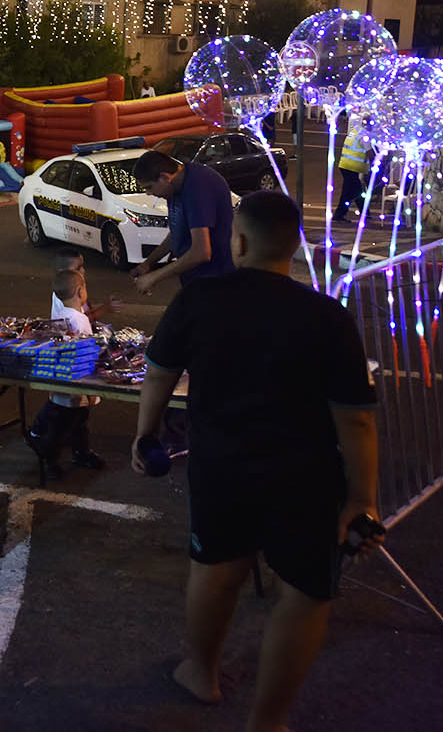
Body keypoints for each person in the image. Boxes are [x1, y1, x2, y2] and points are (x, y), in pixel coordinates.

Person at [132, 191, 382, 731]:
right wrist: (362, 500)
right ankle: (268, 720)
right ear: (293, 246)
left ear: (238, 241)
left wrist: (145, 436)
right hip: (305, 477)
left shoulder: (200, 300)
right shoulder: (326, 314)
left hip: (221, 468)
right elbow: (355, 417)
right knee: (306, 593)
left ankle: (202, 672)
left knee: (216, 571)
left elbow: (158, 371)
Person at [26, 268, 104, 475]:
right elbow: (87, 348)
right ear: (80, 292)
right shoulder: (79, 320)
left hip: (63, 378)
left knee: (74, 419)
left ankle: (80, 452)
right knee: (67, 422)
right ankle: (48, 453)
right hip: (77, 381)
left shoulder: (60, 315)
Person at [130, 150, 235, 297]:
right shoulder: (175, 187)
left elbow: (202, 252)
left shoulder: (197, 188)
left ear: (164, 177)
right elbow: (177, 233)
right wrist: (148, 263)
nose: (148, 193)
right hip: (195, 279)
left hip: (216, 281)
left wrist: (154, 277)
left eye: (149, 187)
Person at [334, 130, 371, 226]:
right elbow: (370, 153)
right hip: (351, 166)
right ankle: (340, 214)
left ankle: (365, 212)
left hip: (345, 164)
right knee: (352, 191)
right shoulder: (365, 136)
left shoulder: (355, 131)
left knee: (354, 190)